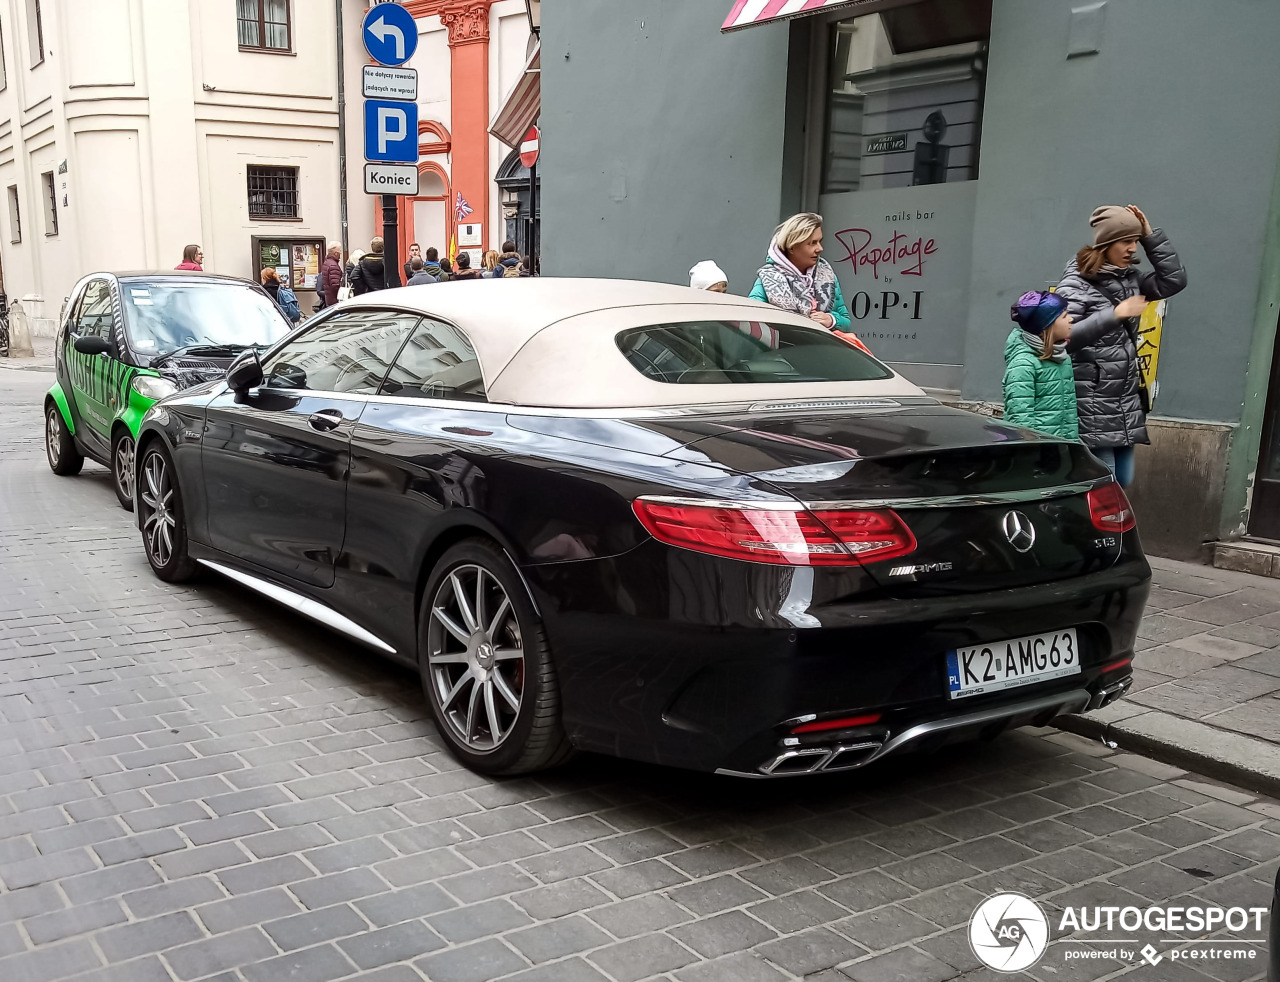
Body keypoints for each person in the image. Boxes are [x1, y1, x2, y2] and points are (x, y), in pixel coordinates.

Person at [1056, 204, 1187, 486]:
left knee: (1122, 481)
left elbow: (1174, 281)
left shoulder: (1130, 279)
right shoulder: (1076, 283)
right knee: (1106, 484)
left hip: (1124, 399)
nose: (1133, 249)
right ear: (1106, 243)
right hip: (1092, 400)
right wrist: (1114, 315)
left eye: (1136, 241)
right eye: (1126, 241)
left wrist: (1151, 235)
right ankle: (1099, 531)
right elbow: (1064, 339)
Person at [749, 213, 851, 330]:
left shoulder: (827, 274)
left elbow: (846, 321)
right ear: (792, 247)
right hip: (786, 347)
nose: (820, 249)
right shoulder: (769, 278)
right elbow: (753, 319)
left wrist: (832, 320)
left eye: (820, 241)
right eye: (812, 243)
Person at [1003, 291, 1078, 440]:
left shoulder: (1062, 359)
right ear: (1046, 327)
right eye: (1064, 316)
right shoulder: (1024, 365)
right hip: (1039, 454)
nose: (1071, 319)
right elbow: (1021, 422)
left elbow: (1070, 415)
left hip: (1061, 450)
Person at [319, 245, 343, 309]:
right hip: (334, 300)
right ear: (335, 253)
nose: (340, 256)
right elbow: (335, 285)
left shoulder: (327, 262)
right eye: (339, 253)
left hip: (329, 299)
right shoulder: (333, 265)